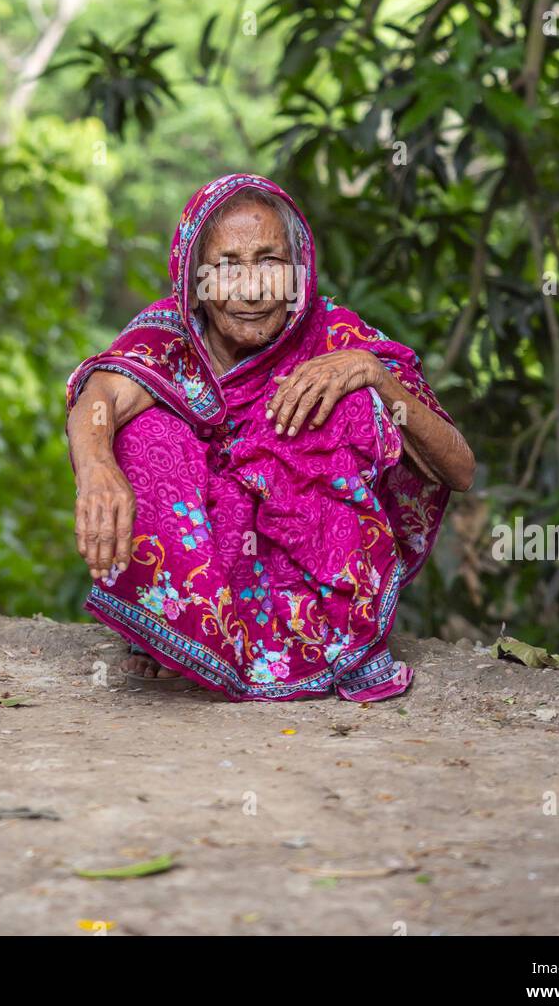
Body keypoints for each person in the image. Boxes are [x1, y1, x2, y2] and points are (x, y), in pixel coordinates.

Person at [66, 173, 474, 701]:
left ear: (299, 271)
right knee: (140, 432)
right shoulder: (172, 337)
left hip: (308, 606)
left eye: (270, 263)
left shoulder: (336, 337)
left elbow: (460, 469)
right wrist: (98, 469)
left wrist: (374, 374)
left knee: (344, 401)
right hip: (208, 577)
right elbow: (99, 397)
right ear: (196, 281)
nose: (253, 288)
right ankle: (187, 637)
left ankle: (333, 640)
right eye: (227, 267)